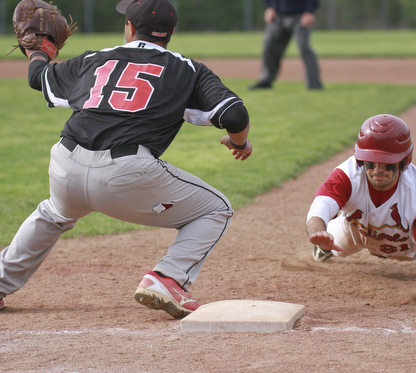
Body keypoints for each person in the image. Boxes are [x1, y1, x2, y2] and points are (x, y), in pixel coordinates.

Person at [0, 0, 253, 318]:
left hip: (66, 163)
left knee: (54, 213)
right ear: (170, 32)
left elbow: (39, 77)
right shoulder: (188, 70)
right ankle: (168, 278)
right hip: (127, 174)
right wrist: (238, 142)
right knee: (217, 209)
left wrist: (42, 49)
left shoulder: (96, 58)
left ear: (130, 29)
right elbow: (235, 114)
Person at [306, 114, 416, 290]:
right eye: (371, 162)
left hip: (407, 248)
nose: (378, 170)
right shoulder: (348, 176)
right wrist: (318, 231)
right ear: (360, 159)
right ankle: (326, 248)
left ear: (404, 161)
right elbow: (322, 204)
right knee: (335, 246)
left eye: (387, 163)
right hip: (355, 234)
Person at [249, 0, 323, 90]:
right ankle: (265, 81)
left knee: (304, 47)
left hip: (300, 15)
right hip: (278, 15)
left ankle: (314, 85)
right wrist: (271, 7)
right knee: (269, 46)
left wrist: (309, 11)